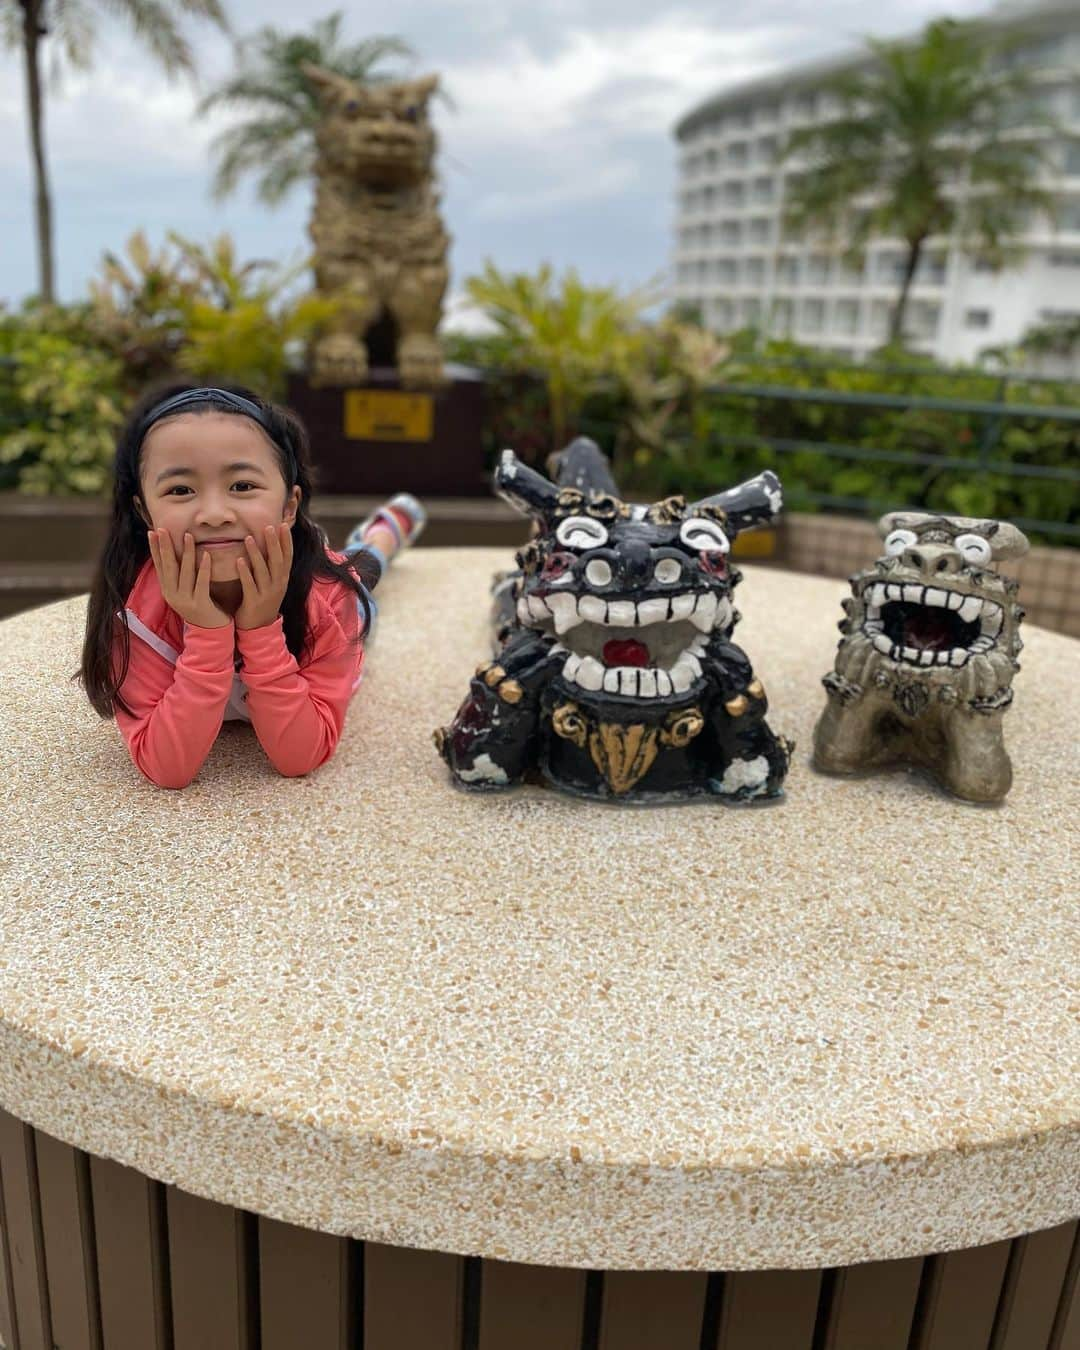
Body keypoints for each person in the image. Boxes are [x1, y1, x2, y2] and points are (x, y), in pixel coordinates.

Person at [79, 382, 424, 789]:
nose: (213, 513)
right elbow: (167, 769)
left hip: (327, 581)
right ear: (145, 512)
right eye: (180, 490)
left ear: (290, 505)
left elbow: (300, 757)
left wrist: (261, 631)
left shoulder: (329, 598)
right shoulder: (137, 611)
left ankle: (384, 533)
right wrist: (208, 633)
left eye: (242, 486)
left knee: (364, 577)